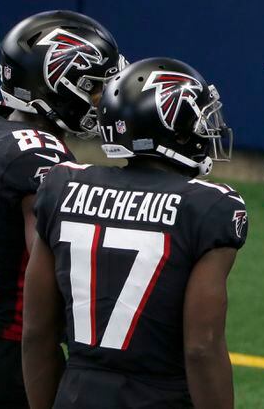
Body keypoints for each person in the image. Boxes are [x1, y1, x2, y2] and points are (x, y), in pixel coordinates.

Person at [0, 10, 124, 409]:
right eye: (93, 88)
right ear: (55, 85)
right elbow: (52, 276)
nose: (102, 101)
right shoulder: (36, 155)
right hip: (9, 359)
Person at [21, 57, 242, 409]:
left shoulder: (61, 186)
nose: (208, 130)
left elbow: (36, 332)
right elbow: (202, 348)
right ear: (176, 129)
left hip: (75, 395)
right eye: (200, 119)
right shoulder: (208, 206)